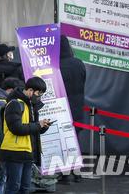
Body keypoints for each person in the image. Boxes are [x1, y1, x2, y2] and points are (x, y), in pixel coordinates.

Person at [2, 77, 51, 194]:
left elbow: (32, 129)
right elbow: (16, 128)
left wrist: (43, 127)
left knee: (24, 188)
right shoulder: (15, 104)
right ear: (30, 90)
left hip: (28, 152)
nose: (39, 96)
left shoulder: (32, 105)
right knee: (13, 188)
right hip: (14, 152)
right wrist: (38, 125)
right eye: (38, 93)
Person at [58, 35, 86, 185]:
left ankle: (65, 176)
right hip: (77, 105)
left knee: (63, 142)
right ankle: (78, 174)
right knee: (75, 142)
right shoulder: (79, 63)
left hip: (61, 107)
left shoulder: (55, 65)